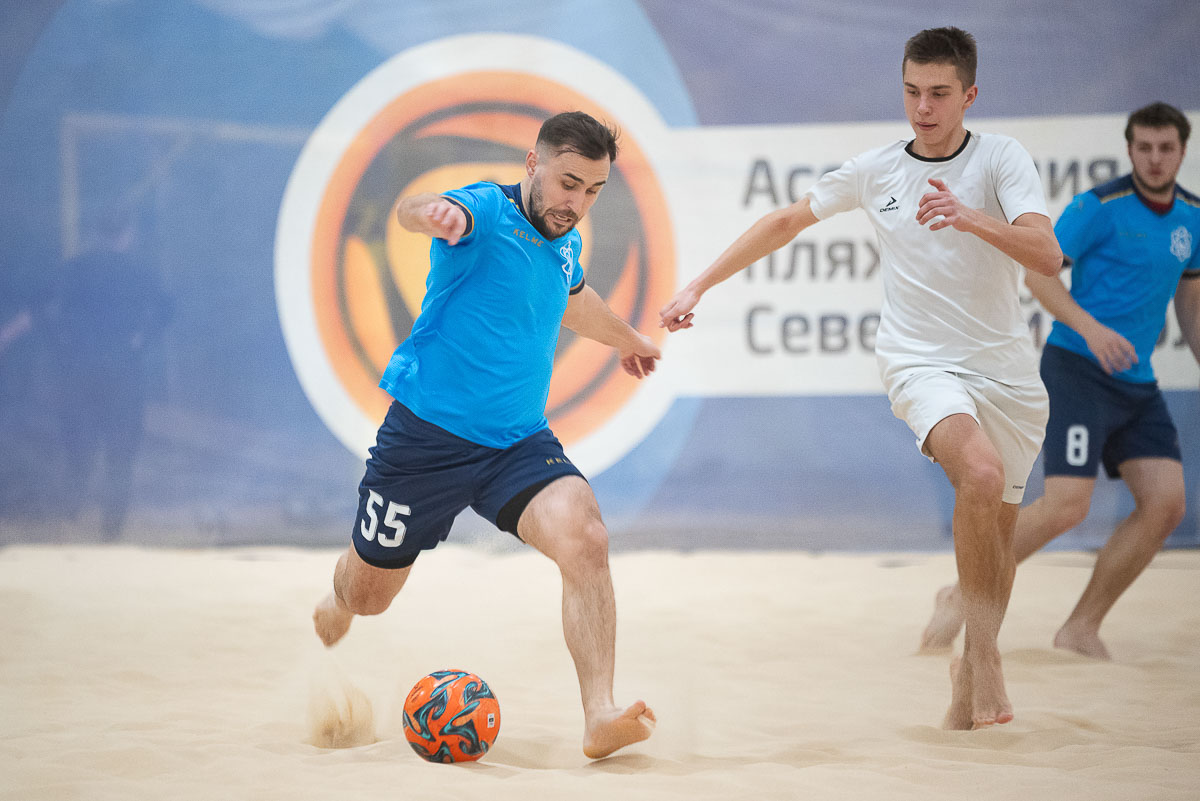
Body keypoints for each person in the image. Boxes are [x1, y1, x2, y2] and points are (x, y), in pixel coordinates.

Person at [659, 27, 1062, 730]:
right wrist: (699, 284)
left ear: (969, 95)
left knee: (998, 540)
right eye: (912, 91)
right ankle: (986, 654)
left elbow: (1047, 254)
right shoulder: (878, 170)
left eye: (939, 94)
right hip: (919, 360)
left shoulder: (1001, 158)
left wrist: (971, 218)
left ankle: (967, 677)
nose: (923, 107)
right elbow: (785, 220)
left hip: (1006, 370)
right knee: (980, 474)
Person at [312, 111, 661, 759]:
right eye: (568, 183)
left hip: (516, 444)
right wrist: (432, 213)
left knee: (586, 538)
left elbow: (574, 300)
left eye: (593, 190)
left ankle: (599, 713)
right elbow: (414, 210)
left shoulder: (563, 241)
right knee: (368, 596)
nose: (577, 202)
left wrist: (630, 340)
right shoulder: (484, 212)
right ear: (533, 164)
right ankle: (338, 596)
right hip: (424, 442)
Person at [921, 102, 1200, 660]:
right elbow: (1037, 275)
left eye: (1166, 148)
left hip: (1136, 382)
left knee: (1166, 505)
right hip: (1077, 368)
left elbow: (1190, 301)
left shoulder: (1192, 217)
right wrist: (1092, 330)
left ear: (1183, 151)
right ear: (1129, 149)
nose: (1154, 158)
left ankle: (1080, 627)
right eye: (1144, 147)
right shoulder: (1098, 207)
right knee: (1068, 506)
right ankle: (962, 592)